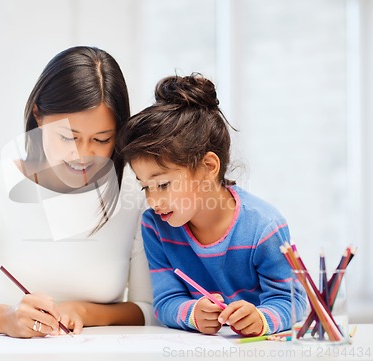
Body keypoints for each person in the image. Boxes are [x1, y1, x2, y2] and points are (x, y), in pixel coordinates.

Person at [0, 46, 155, 338]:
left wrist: (84, 311)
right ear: (38, 115)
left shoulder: (133, 193)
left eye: (101, 140)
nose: (83, 155)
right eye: (67, 137)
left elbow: (147, 308)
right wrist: (5, 318)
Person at [116, 73, 306, 337]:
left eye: (163, 185)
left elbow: (292, 302)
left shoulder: (264, 227)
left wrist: (261, 319)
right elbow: (165, 301)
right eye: (145, 186)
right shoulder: (156, 226)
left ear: (208, 167)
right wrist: (193, 314)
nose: (152, 200)